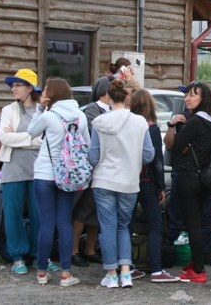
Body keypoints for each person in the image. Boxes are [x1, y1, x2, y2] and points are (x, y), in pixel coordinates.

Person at [89, 79, 155, 289]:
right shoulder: (140, 122)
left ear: (108, 96)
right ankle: (126, 272)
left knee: (107, 227)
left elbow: (93, 156)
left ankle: (110, 273)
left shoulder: (99, 123)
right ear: (128, 97)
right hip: (129, 181)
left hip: (104, 180)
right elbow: (149, 154)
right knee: (123, 227)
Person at [166, 81, 211, 283]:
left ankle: (199, 270)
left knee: (192, 224)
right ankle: (197, 262)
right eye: (187, 95)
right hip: (206, 177)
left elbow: (175, 147)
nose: (188, 98)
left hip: (188, 176)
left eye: (193, 95)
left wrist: (172, 125)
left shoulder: (195, 122)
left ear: (203, 99)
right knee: (201, 223)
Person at [27, 77, 89, 287]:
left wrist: (40, 110)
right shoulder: (80, 116)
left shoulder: (49, 116)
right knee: (64, 222)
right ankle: (65, 274)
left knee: (47, 223)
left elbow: (31, 132)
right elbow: (87, 144)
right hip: (68, 175)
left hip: (45, 173)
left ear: (52, 93)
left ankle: (42, 272)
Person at [130, 89, 180, 283]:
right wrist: (161, 186)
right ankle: (157, 269)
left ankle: (128, 266)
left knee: (127, 225)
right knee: (154, 226)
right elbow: (157, 161)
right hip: (148, 181)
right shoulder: (151, 128)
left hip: (129, 180)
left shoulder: (128, 126)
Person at [0, 69, 44, 275]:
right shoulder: (8, 110)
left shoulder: (43, 110)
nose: (13, 89)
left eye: (17, 85)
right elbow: (4, 138)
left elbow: (46, 140)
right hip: (13, 169)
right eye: (12, 85)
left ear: (29, 88)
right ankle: (17, 257)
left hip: (38, 170)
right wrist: (32, 139)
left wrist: (21, 138)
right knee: (13, 214)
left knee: (39, 215)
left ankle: (37, 255)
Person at [71, 76, 110, 268]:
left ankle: (90, 249)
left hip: (106, 168)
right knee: (83, 209)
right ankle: (74, 249)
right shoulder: (93, 109)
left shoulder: (110, 110)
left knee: (96, 211)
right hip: (93, 167)